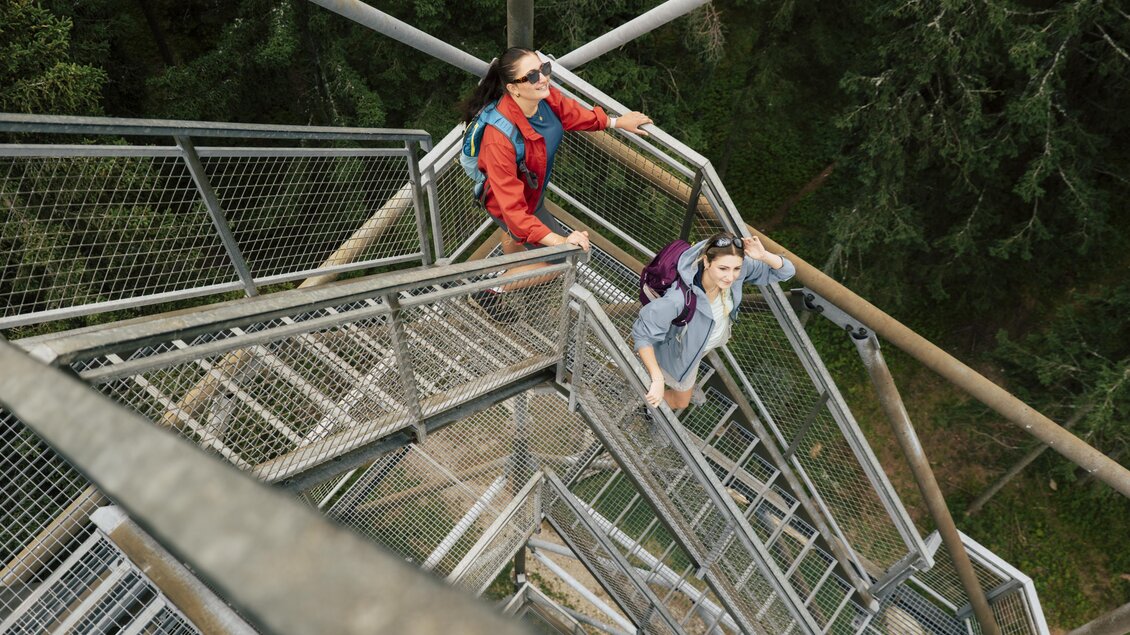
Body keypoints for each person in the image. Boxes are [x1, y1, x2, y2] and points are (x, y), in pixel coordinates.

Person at [461, 47, 652, 322]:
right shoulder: (498, 138)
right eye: (532, 75)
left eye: (544, 69)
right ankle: (488, 289)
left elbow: (573, 114)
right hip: (505, 201)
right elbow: (514, 213)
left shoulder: (544, 98)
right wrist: (562, 242)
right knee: (559, 262)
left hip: (531, 193)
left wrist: (617, 122)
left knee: (520, 235)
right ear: (513, 88)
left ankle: (512, 274)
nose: (543, 78)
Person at [632, 233, 796, 409]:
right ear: (706, 261)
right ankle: (645, 408)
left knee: (686, 373)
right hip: (679, 352)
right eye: (723, 268)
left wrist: (763, 256)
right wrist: (657, 380)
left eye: (736, 269)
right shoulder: (679, 299)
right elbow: (643, 334)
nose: (731, 277)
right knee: (682, 402)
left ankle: (675, 381)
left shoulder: (738, 272)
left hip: (699, 344)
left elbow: (786, 271)